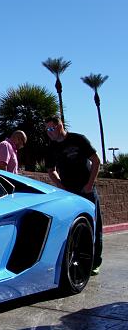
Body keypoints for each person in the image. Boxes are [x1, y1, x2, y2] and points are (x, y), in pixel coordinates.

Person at [44, 116, 102, 275]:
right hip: (68, 193)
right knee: (73, 227)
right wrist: (60, 186)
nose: (49, 133)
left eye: (51, 129)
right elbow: (50, 170)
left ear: (59, 125)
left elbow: (96, 161)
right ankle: (78, 261)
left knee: (93, 227)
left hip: (86, 190)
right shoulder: (51, 147)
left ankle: (95, 262)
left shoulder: (78, 139)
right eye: (47, 130)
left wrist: (90, 185)